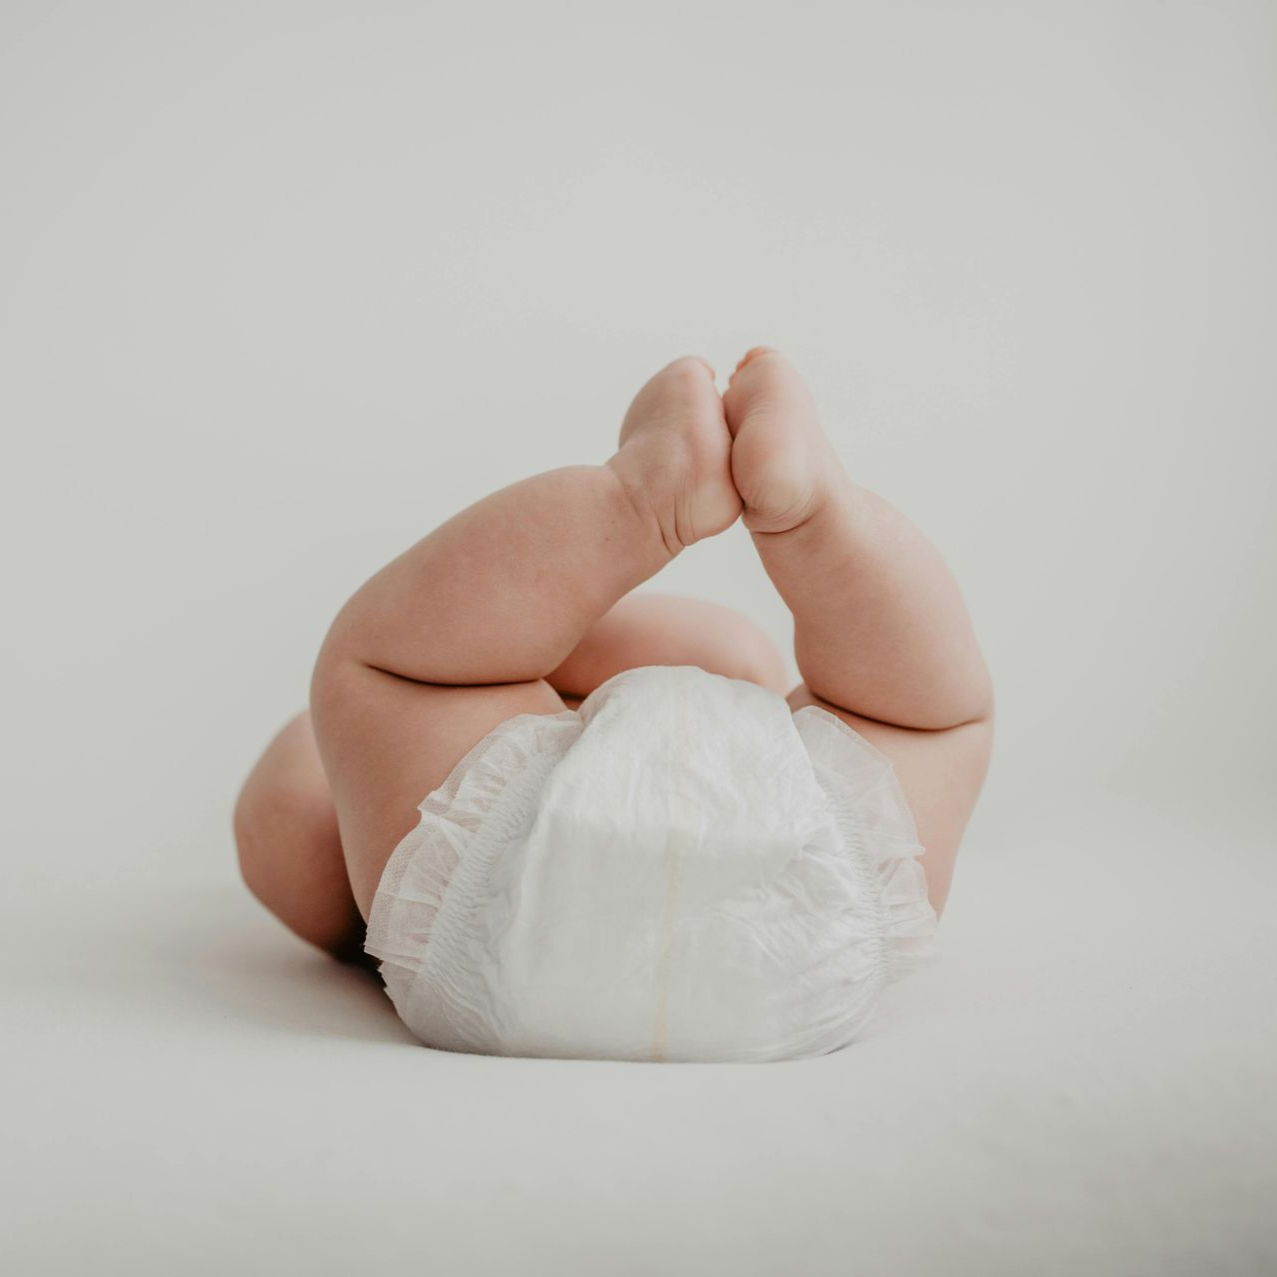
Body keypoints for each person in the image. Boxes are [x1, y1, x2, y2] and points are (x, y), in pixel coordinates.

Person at [234, 348, 994, 1061]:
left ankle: (665, 501)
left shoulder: (420, 814)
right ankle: (771, 509)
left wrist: (492, 674)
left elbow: (321, 795)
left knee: (384, 684)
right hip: (815, 923)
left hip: (504, 939)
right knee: (920, 717)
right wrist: (517, 653)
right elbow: (723, 655)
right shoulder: (713, 684)